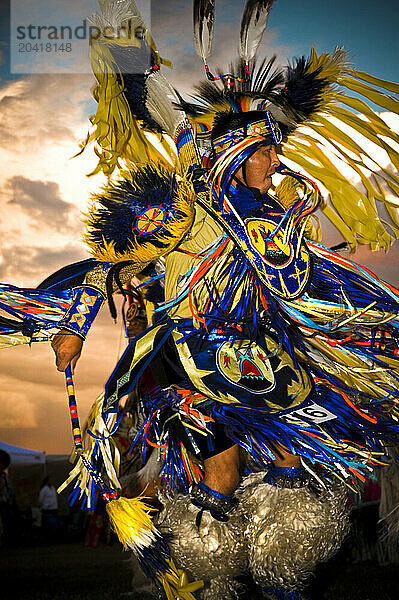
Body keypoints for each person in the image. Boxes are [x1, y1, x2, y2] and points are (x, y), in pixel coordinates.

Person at [2, 1, 399, 599]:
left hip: (269, 362)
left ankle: (283, 579)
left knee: (292, 468)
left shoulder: (277, 218)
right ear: (235, 153)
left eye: (274, 150)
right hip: (196, 365)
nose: (274, 161)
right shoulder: (184, 212)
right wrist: (71, 326)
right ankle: (206, 581)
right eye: (263, 151)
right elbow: (113, 266)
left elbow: (308, 283)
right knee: (222, 470)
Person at [38, 476, 60, 540]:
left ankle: (54, 537)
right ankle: (47, 538)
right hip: (47, 509)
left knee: (54, 524)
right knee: (48, 525)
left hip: (54, 508)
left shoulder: (53, 488)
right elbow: (40, 499)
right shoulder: (44, 489)